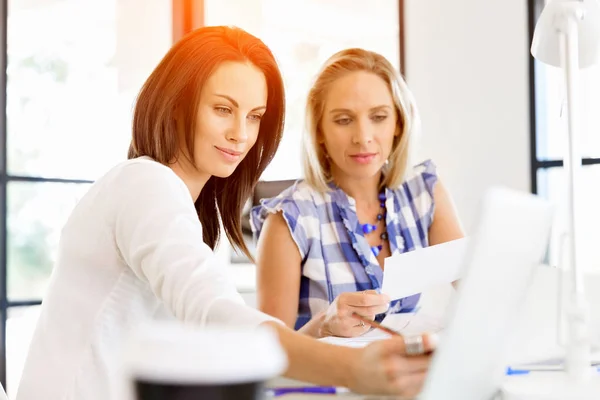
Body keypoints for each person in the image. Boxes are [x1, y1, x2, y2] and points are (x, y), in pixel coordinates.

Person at [15, 28, 436, 400]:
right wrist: (351, 369)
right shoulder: (143, 184)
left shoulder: (186, 213)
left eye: (254, 117)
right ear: (178, 104)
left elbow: (227, 350)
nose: (241, 134)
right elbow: (213, 313)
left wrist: (319, 328)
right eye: (222, 109)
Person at [251, 48, 464, 339]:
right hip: (328, 382)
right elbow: (268, 351)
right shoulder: (289, 219)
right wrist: (323, 325)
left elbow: (476, 291)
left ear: (398, 123)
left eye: (378, 117)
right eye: (343, 120)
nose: (363, 137)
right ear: (319, 130)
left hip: (406, 378)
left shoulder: (424, 193)